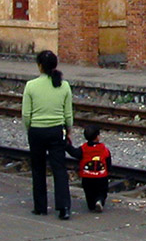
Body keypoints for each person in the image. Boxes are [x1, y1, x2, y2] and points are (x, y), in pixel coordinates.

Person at [22, 50, 73, 219]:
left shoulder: (31, 86)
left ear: (39, 66)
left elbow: (26, 115)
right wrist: (69, 131)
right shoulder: (64, 85)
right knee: (59, 169)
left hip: (36, 131)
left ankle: (40, 207)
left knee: (38, 169)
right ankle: (64, 207)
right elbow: (68, 115)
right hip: (57, 131)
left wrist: (30, 128)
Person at [67, 124, 111, 212]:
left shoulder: (83, 149)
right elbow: (108, 161)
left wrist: (67, 145)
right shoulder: (103, 149)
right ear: (98, 137)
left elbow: (74, 153)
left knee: (89, 193)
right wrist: (108, 172)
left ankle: (92, 205)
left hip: (87, 177)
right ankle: (100, 201)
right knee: (102, 191)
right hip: (101, 176)